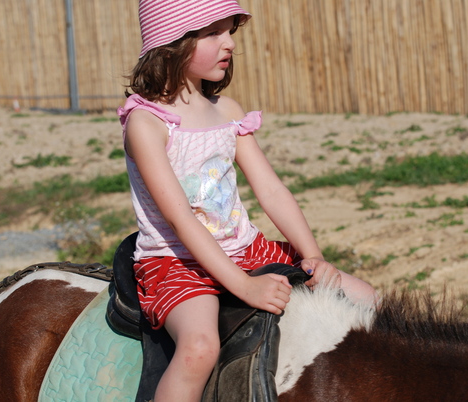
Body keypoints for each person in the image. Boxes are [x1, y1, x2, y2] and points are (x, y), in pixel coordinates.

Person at [118, 1, 376, 400]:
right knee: (198, 350)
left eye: (230, 32)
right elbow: (183, 221)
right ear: (173, 42)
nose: (229, 44)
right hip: (175, 261)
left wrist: (313, 255)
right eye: (213, 33)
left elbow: (271, 190)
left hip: (246, 249)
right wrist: (244, 287)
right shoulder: (146, 123)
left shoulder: (228, 111)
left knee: (367, 299)